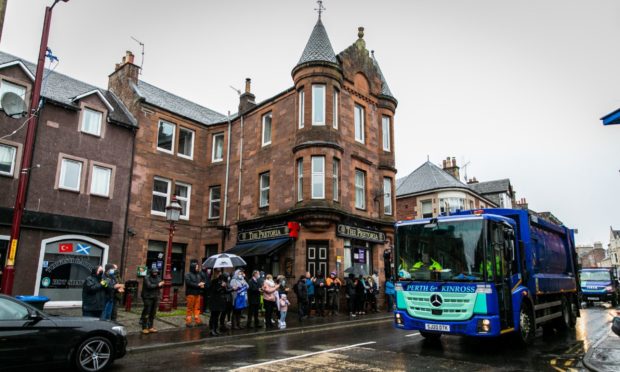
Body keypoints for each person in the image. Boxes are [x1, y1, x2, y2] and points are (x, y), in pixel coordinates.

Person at [140, 267, 164, 334]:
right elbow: (149, 286)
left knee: (153, 312)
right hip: (147, 297)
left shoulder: (158, 278)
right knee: (147, 311)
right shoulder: (146, 278)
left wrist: (161, 285)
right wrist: (158, 285)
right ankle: (144, 327)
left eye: (156, 272)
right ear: (151, 272)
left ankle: (150, 326)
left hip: (155, 296)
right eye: (154, 272)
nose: (155, 273)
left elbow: (160, 286)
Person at [185, 259, 206, 328]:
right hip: (190, 293)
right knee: (190, 308)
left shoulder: (198, 274)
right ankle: (188, 321)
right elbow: (189, 283)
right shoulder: (188, 275)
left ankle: (197, 320)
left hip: (197, 293)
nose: (198, 268)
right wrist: (198, 285)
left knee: (197, 308)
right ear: (193, 267)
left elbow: (202, 280)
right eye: (197, 267)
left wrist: (202, 284)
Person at [209, 270, 227, 336]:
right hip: (214, 301)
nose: (220, 275)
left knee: (217, 316)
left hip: (219, 301)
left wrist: (224, 287)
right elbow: (215, 290)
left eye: (220, 274)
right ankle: (211, 329)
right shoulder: (213, 281)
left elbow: (224, 291)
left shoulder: (221, 281)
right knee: (213, 316)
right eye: (219, 274)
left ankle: (216, 329)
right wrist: (221, 286)